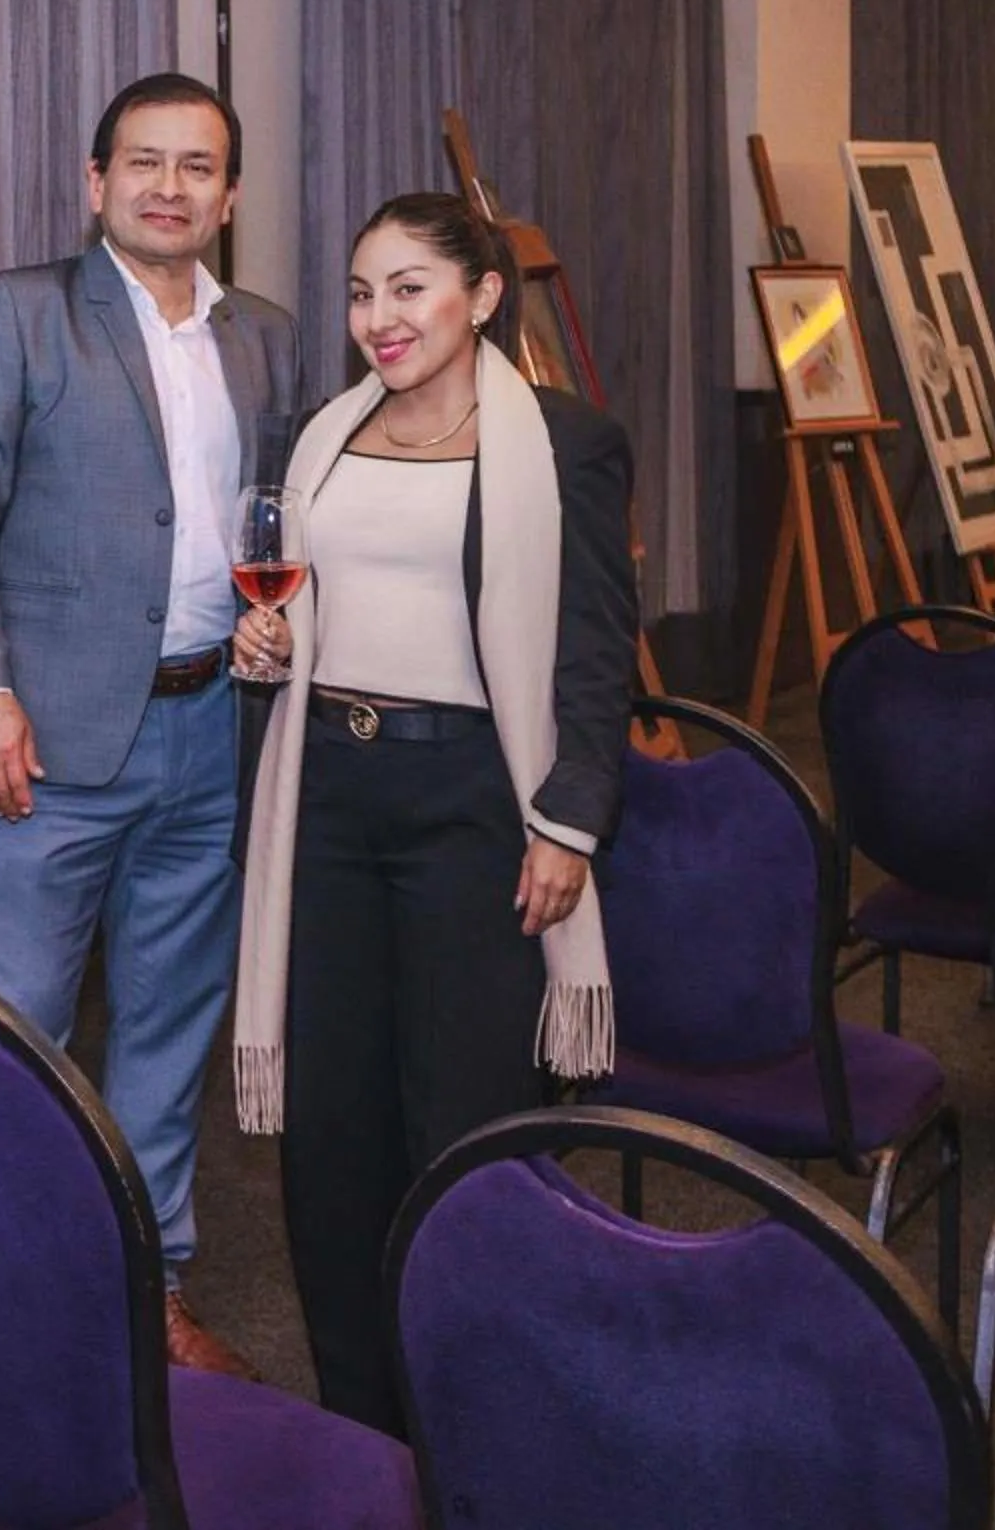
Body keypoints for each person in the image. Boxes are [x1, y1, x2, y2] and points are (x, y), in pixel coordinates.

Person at [0, 72, 307, 1377]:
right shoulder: (19, 313)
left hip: (211, 735)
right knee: (12, 1038)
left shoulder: (266, 336)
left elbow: (273, 522)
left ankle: (147, 1289)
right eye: (144, 161)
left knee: (167, 1033)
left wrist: (273, 624)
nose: (168, 187)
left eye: (198, 167)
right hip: (46, 745)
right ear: (96, 182)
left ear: (230, 196)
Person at [226, 191, 637, 1435]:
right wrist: (267, 646)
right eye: (362, 293)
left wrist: (567, 823)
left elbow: (596, 648)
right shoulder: (323, 434)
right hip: (328, 801)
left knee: (462, 1127)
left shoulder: (565, 444)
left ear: (483, 295)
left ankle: (475, 1420)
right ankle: (363, 1427)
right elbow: (301, 605)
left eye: (409, 288)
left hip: (475, 808)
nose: (379, 318)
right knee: (332, 1136)